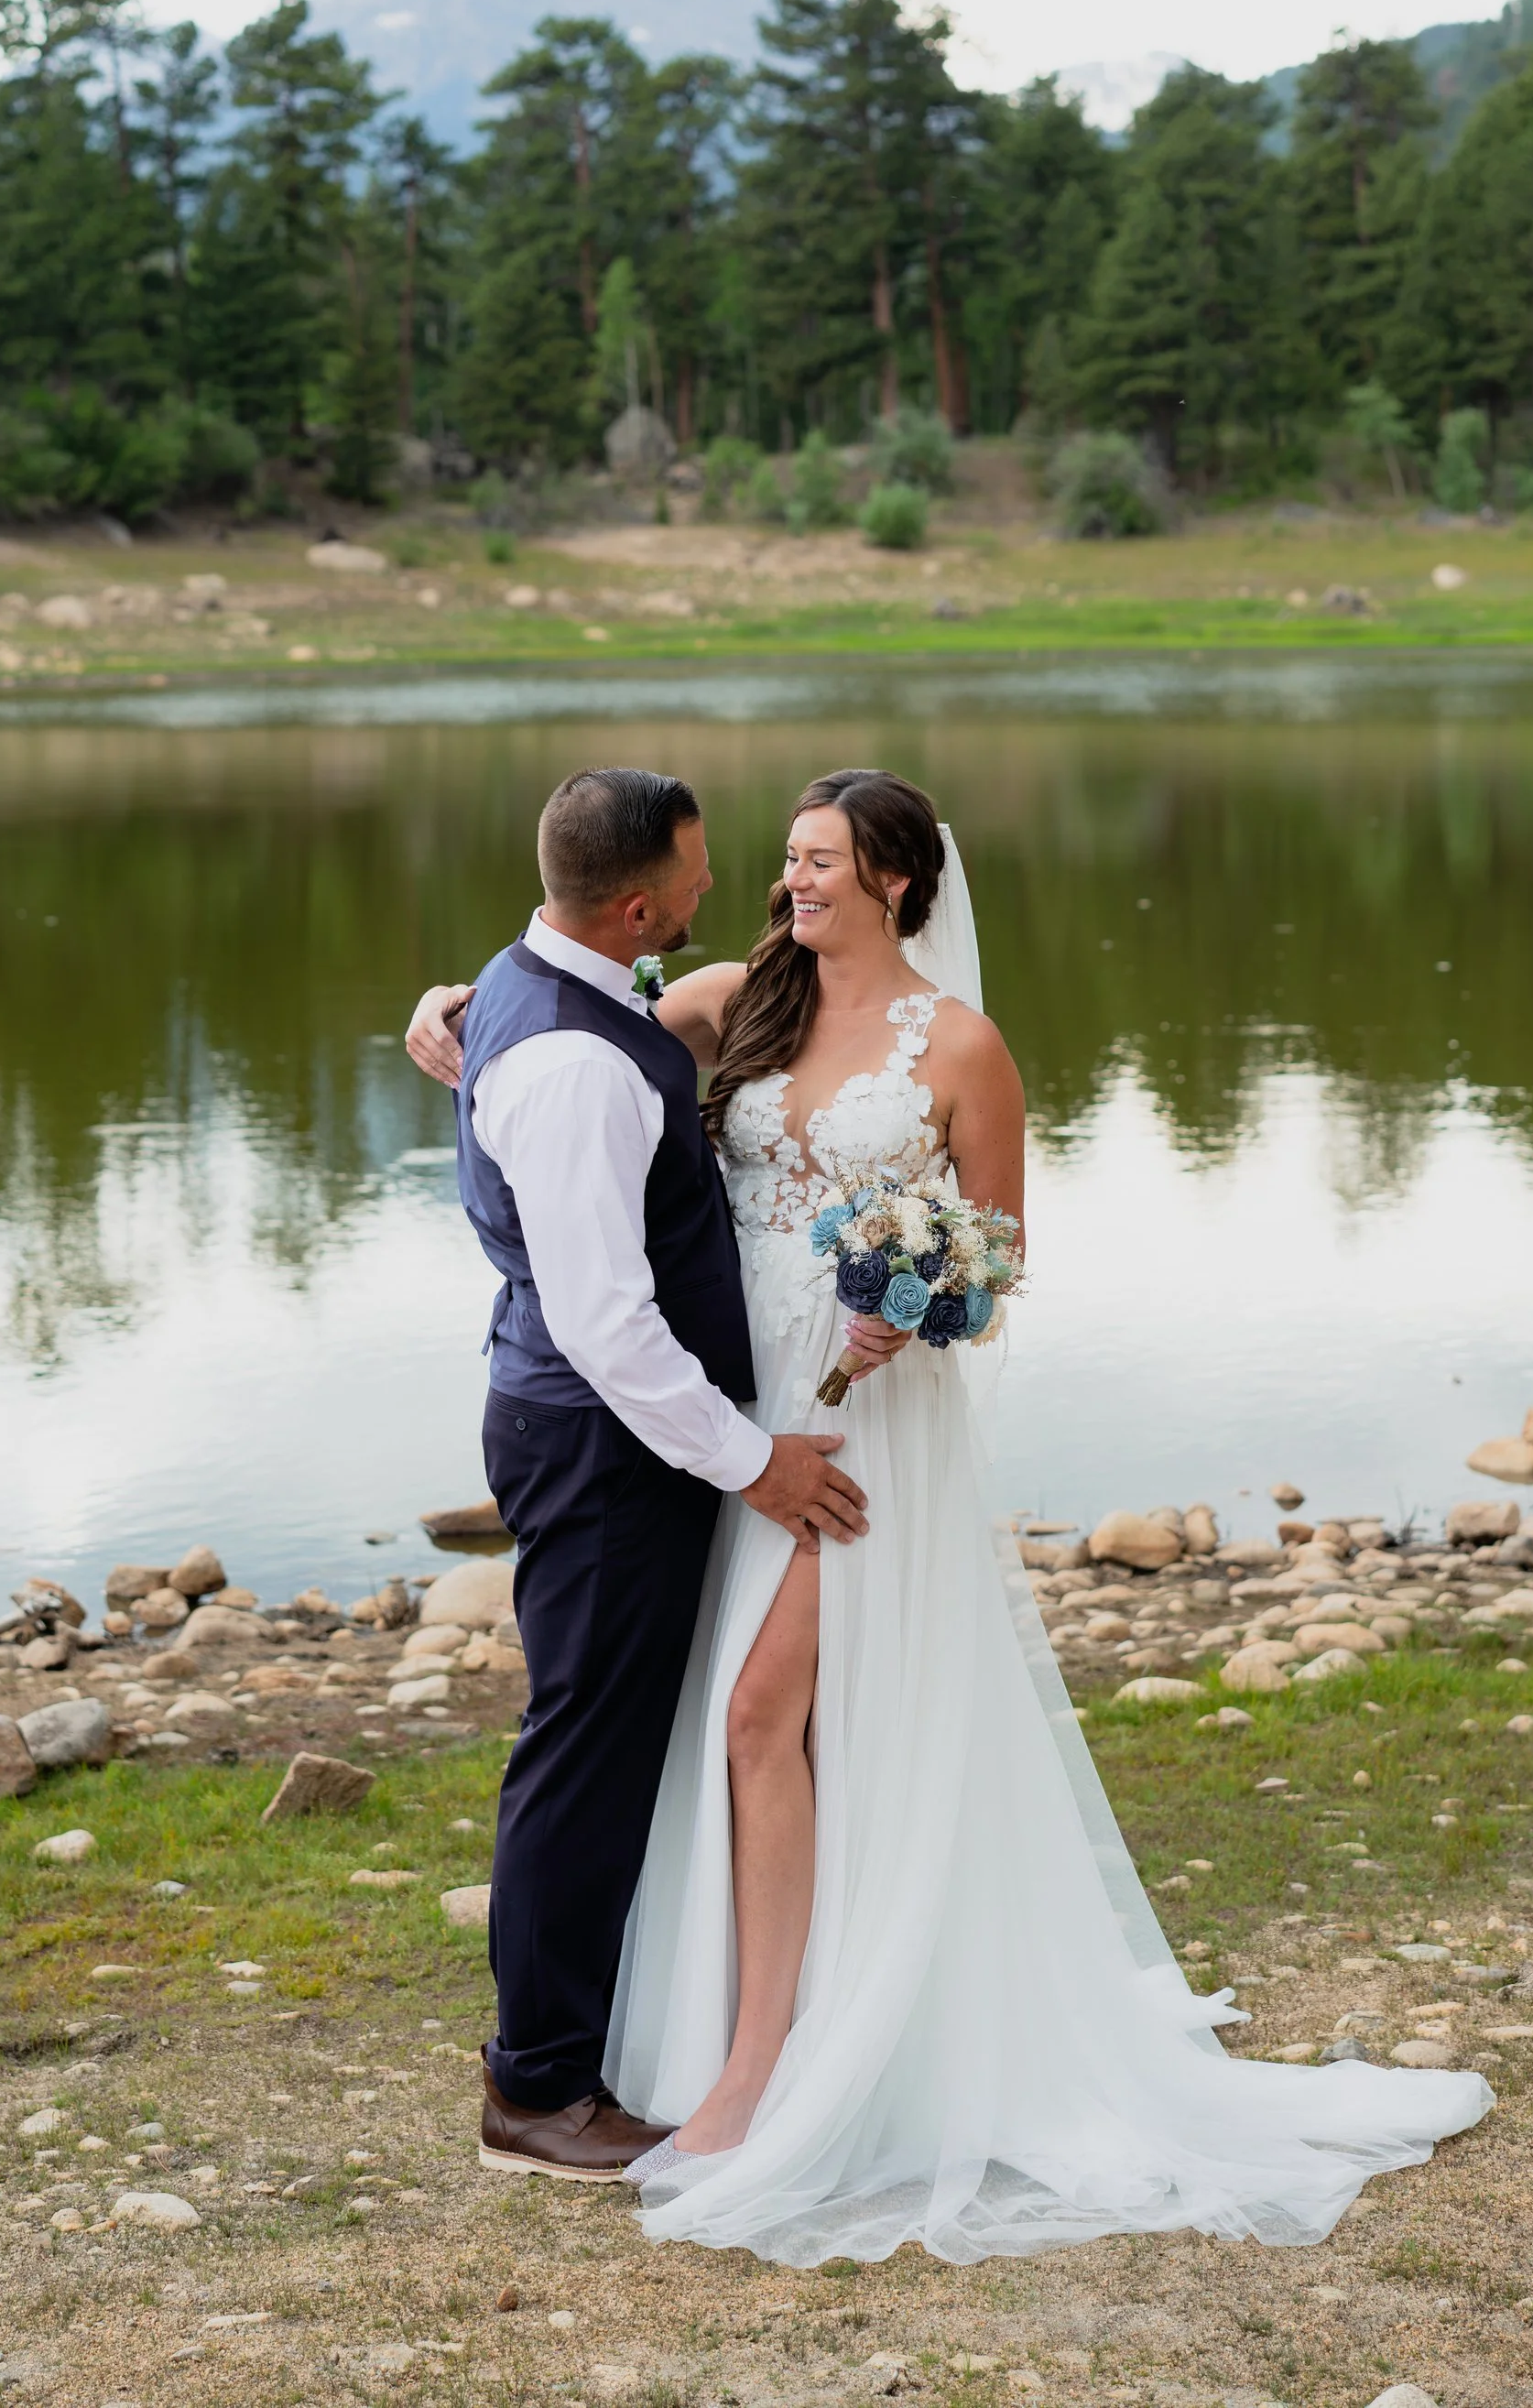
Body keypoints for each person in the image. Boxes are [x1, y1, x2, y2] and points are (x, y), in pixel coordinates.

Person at [408, 766, 1492, 2261]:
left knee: (759, 1715)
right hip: (734, 1423)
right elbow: (567, 1030)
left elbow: (996, 1270)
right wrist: (449, 1012)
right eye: (788, 858)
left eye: (821, 862)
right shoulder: (738, 996)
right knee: (752, 1724)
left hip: (857, 1421)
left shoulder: (964, 1047)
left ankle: (757, 2072)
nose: (790, 881)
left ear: (900, 881)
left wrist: (911, 1306)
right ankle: (760, 2024)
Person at [436, 764, 877, 2184]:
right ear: (633, 906)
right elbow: (608, 1326)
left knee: (606, 1738)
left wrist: (443, 1013)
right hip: (604, 1442)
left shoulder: (540, 982)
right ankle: (538, 2089)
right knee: (584, 1754)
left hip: (590, 1429)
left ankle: (587, 2042)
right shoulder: (576, 1066)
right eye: (693, 870)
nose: (716, 885)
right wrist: (756, 1465)